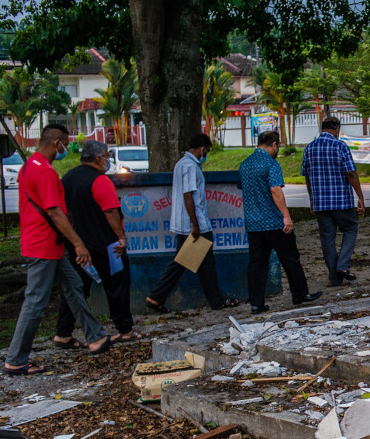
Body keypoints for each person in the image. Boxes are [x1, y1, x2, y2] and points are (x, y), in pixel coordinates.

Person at [4, 124, 112, 375]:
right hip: (42, 244)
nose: (67, 148)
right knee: (36, 301)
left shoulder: (31, 165)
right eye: (65, 143)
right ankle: (16, 358)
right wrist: (78, 243)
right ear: (56, 143)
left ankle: (95, 336)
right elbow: (55, 212)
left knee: (73, 284)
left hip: (46, 242)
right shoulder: (44, 172)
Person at [54, 140, 141, 347]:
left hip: (78, 243)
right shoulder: (100, 180)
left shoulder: (68, 178)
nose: (108, 159)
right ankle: (125, 329)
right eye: (106, 155)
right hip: (106, 244)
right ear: (98, 157)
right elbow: (110, 211)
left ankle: (63, 333)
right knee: (117, 285)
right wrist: (121, 237)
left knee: (77, 289)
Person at [145, 133, 239, 313]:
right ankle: (157, 296)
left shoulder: (182, 164)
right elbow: (188, 195)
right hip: (194, 224)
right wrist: (195, 225)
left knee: (199, 263)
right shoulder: (190, 166)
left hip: (186, 223)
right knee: (187, 263)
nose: (206, 154)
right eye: (207, 150)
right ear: (201, 148)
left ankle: (214, 300)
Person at [239, 130, 322, 314]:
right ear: (274, 145)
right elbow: (276, 191)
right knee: (290, 258)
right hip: (274, 222)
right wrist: (286, 215)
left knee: (257, 264)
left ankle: (256, 303)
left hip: (253, 224)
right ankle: (300, 294)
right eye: (278, 146)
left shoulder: (244, 165)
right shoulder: (271, 164)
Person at [300, 116, 365, 287]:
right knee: (350, 229)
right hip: (341, 202)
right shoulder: (340, 146)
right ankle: (342, 265)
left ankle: (334, 278)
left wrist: (312, 199)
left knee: (327, 239)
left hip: (321, 203)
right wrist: (360, 196)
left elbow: (307, 177)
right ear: (337, 129)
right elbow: (350, 173)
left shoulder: (310, 148)